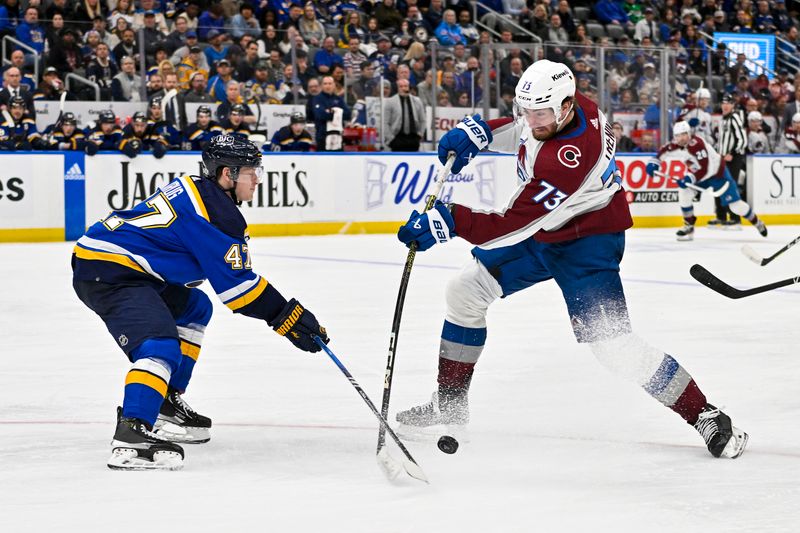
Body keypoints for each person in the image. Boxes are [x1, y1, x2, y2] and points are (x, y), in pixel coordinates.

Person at [394, 60, 748, 461]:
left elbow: (513, 226)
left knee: (613, 346)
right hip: (549, 230)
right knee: (465, 291)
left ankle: (706, 413)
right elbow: (522, 127)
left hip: (587, 245)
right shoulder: (562, 104)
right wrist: (478, 133)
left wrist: (448, 220)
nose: (531, 120)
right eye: (527, 110)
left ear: (564, 108)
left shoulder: (569, 157)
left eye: (540, 114)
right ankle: (450, 403)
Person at [71, 135, 330, 470]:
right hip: (110, 272)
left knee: (195, 307)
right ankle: (132, 433)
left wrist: (284, 315)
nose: (258, 179)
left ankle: (164, 402)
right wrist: (287, 317)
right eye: (252, 171)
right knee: (159, 346)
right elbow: (239, 290)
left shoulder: (202, 193)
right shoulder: (215, 213)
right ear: (228, 174)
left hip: (115, 264)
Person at [648, 120, 767, 241]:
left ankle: (757, 222)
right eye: (678, 135)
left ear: (689, 134)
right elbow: (662, 152)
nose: (681, 138)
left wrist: (689, 178)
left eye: (684, 134)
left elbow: (706, 169)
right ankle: (689, 226)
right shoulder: (674, 145)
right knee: (684, 192)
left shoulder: (697, 145)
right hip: (699, 175)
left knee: (735, 207)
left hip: (718, 174)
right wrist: (654, 162)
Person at [384, 78, 425, 152]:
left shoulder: (417, 101)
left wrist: (420, 135)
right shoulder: (390, 102)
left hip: (413, 139)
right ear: (397, 88)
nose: (404, 88)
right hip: (397, 138)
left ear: (409, 87)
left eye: (405, 86)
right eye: (401, 86)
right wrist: (391, 139)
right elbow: (385, 123)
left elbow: (422, 120)